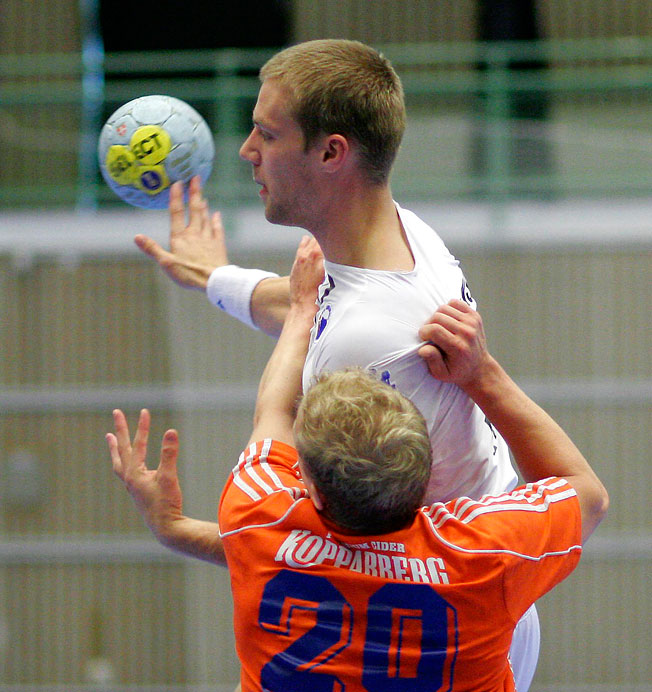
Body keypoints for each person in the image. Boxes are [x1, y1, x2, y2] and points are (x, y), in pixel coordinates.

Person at [131, 39, 540, 687]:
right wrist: (216, 279)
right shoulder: (404, 233)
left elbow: (303, 553)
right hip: (478, 589)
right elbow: (309, 301)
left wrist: (178, 531)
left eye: (267, 133)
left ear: (330, 152)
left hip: (444, 622)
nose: (246, 150)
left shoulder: (364, 348)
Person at [107, 237, 609, 691]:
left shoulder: (258, 517)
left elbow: (274, 413)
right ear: (424, 480)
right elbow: (587, 493)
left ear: (312, 491)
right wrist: (483, 375)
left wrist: (304, 308)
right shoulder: (480, 561)